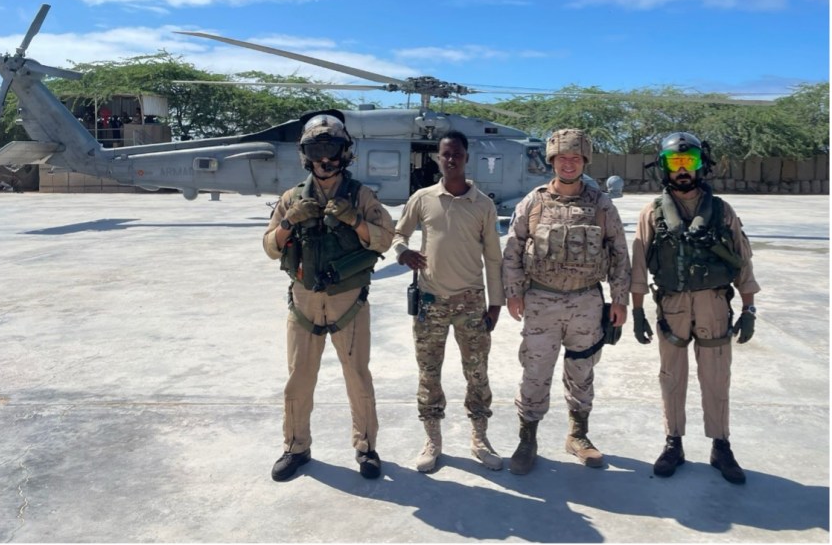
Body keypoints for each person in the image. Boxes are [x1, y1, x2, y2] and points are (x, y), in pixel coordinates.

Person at [263, 111, 395, 482]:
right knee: (299, 379)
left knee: (358, 377)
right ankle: (296, 447)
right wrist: (289, 221)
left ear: (344, 152)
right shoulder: (291, 198)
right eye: (316, 150)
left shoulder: (361, 196)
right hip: (304, 303)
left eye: (332, 149)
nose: (324, 159)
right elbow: (270, 247)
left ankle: (366, 447)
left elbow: (386, 238)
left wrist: (355, 220)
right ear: (305, 155)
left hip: (348, 301)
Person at [630, 132, 759, 485]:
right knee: (671, 376)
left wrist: (748, 309)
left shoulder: (722, 211)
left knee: (716, 376)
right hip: (671, 304)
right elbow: (638, 266)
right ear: (664, 167)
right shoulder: (651, 213)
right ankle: (673, 442)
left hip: (713, 303)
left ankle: (721, 445)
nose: (683, 170)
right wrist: (637, 312)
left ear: (702, 165)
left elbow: (743, 261)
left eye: (690, 162)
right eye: (676, 162)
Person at [503, 128, 630, 474]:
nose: (569, 164)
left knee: (582, 369)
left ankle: (578, 435)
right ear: (552, 161)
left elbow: (619, 252)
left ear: (584, 161)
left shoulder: (601, 204)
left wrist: (620, 299)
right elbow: (513, 249)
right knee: (535, 371)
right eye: (562, 158)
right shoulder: (533, 202)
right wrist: (513, 292)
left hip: (586, 301)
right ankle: (527, 439)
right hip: (541, 300)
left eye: (575, 158)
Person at [393, 131, 505, 473]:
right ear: (438, 158)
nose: (451, 159)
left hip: (471, 302)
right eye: (445, 154)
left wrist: (496, 303)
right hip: (431, 302)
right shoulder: (423, 198)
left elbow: (493, 257)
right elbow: (399, 233)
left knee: (477, 373)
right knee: (428, 373)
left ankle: (480, 438)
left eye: (456, 154)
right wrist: (403, 252)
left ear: (466, 157)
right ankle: (432, 440)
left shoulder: (482, 204)